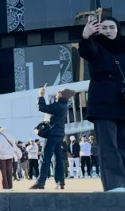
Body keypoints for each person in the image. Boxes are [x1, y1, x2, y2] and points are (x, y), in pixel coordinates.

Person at [78, 16, 125, 192]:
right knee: (109, 147)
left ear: (118, 29)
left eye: (112, 27)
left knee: (123, 146)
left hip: (122, 103)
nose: (108, 31)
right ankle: (115, 185)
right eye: (104, 28)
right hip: (103, 105)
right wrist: (86, 36)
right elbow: (86, 52)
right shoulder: (96, 47)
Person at [31, 86, 75, 189]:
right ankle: (60, 182)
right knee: (58, 158)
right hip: (59, 134)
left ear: (62, 95)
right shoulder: (63, 105)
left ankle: (40, 182)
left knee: (45, 158)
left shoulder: (59, 105)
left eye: (59, 92)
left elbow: (42, 108)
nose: (57, 93)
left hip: (52, 134)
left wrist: (41, 96)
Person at [0, 124, 20, 190]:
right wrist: (16, 152)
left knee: (3, 172)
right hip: (10, 154)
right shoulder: (8, 133)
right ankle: (10, 185)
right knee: (9, 171)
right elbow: (14, 143)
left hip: (1, 155)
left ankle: (5, 186)